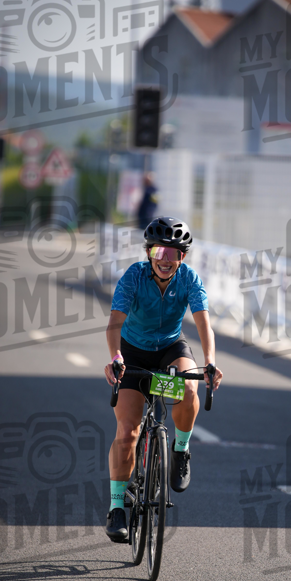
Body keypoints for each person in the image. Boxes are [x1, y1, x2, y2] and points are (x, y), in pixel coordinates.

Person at [104, 216, 223, 542]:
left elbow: (203, 324)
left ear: (182, 257)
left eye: (174, 253)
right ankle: (117, 507)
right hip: (132, 351)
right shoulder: (134, 276)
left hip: (170, 348)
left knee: (189, 385)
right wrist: (116, 357)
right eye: (159, 251)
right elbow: (115, 323)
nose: (166, 260)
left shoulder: (189, 279)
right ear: (149, 253)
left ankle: (180, 449)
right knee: (128, 432)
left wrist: (210, 362)